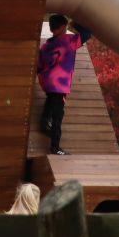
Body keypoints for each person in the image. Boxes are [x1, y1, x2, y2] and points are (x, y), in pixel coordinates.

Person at [37, 14, 91, 155]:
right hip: (60, 84)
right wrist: (75, 24)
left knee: (50, 100)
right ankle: (55, 148)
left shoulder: (46, 45)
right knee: (58, 116)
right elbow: (87, 34)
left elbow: (39, 66)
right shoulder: (68, 41)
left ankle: (43, 123)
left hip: (47, 82)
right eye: (66, 26)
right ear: (61, 27)